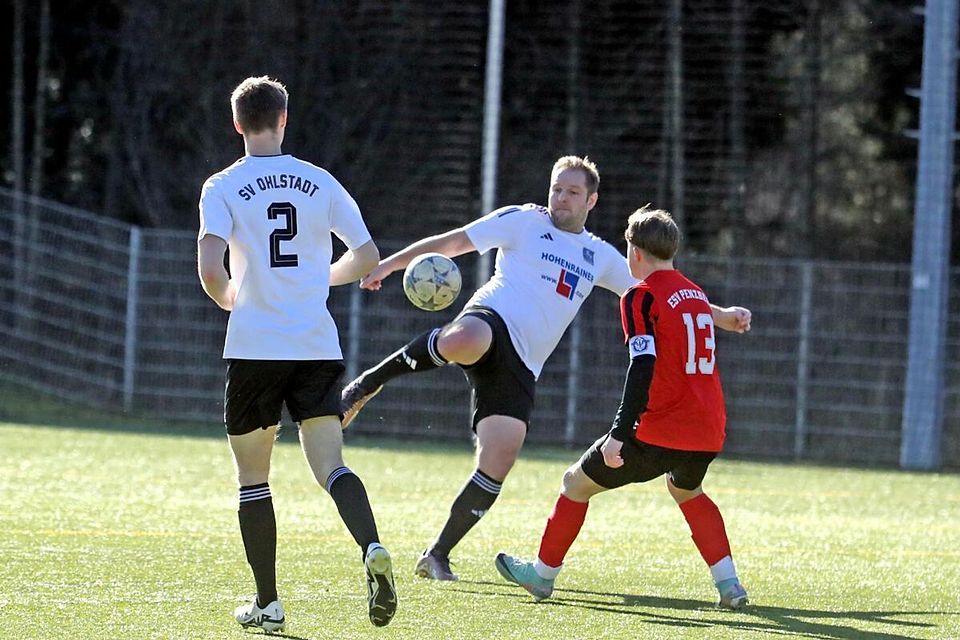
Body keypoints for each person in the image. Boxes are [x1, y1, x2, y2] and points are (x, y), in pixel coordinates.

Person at [340, 156, 751, 581]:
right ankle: (367, 385)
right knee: (467, 338)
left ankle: (437, 554)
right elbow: (452, 243)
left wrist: (721, 316)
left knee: (501, 455)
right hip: (490, 319)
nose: (561, 198)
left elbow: (659, 292)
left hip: (522, 365)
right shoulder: (522, 220)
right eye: (556, 188)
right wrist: (389, 265)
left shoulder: (598, 255)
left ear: (591, 200)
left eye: (572, 192)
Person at [196, 76, 397, 631]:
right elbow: (366, 256)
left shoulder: (222, 186)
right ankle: (371, 546)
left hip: (256, 346)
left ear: (238, 123)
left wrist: (235, 299)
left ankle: (267, 604)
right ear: (284, 119)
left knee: (254, 480)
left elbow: (211, 270)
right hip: (315, 343)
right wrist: (317, 283)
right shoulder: (320, 181)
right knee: (331, 465)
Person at [494, 206, 748, 609]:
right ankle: (730, 586)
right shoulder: (696, 293)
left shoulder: (639, 296)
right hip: (708, 428)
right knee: (687, 489)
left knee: (574, 485)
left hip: (659, 428)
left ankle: (542, 576)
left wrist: (619, 433)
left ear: (634, 253)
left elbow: (642, 364)